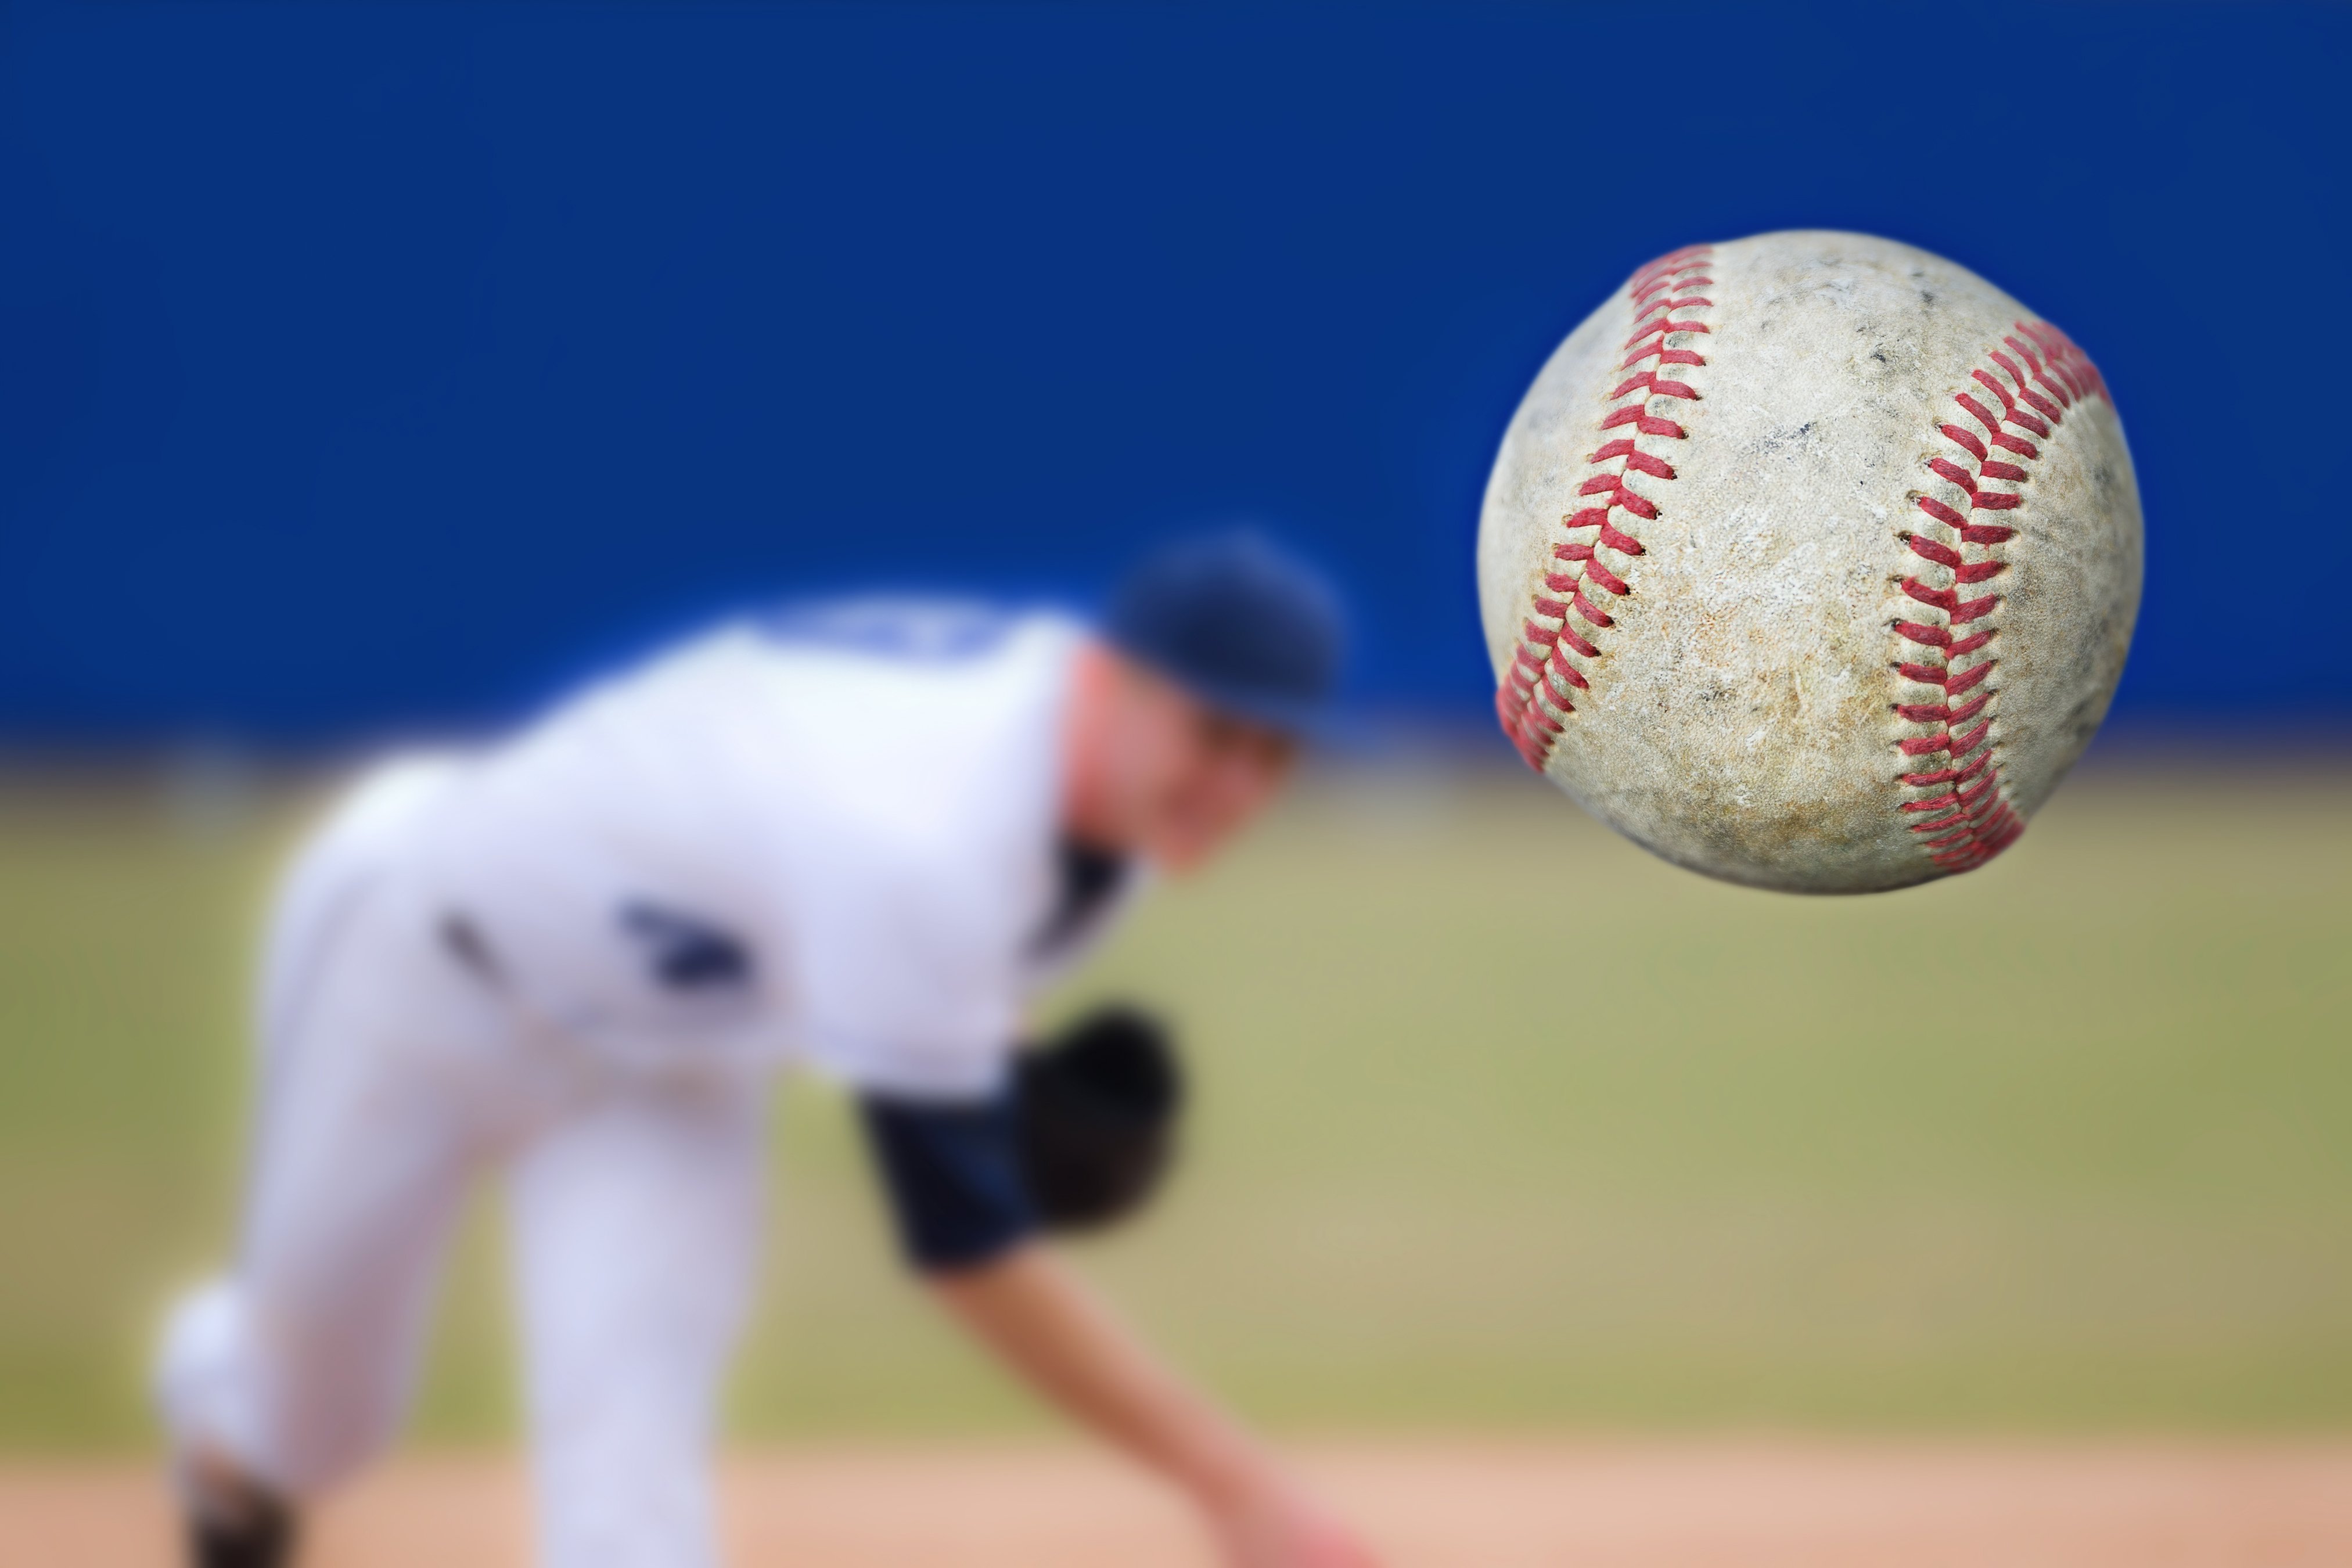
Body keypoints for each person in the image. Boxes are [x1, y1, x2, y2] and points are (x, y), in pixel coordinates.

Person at [154, 532, 1382, 1568]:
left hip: (671, 1074)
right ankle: (224, 1383)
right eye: (1215, 732)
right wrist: (1239, 1489)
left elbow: (926, 955)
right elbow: (965, 1248)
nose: (1237, 782)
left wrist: (1005, 1068)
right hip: (433, 960)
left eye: (1272, 752)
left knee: (634, 1516)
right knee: (316, 1430)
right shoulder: (932, 822)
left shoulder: (1102, 817)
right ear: (1117, 679)